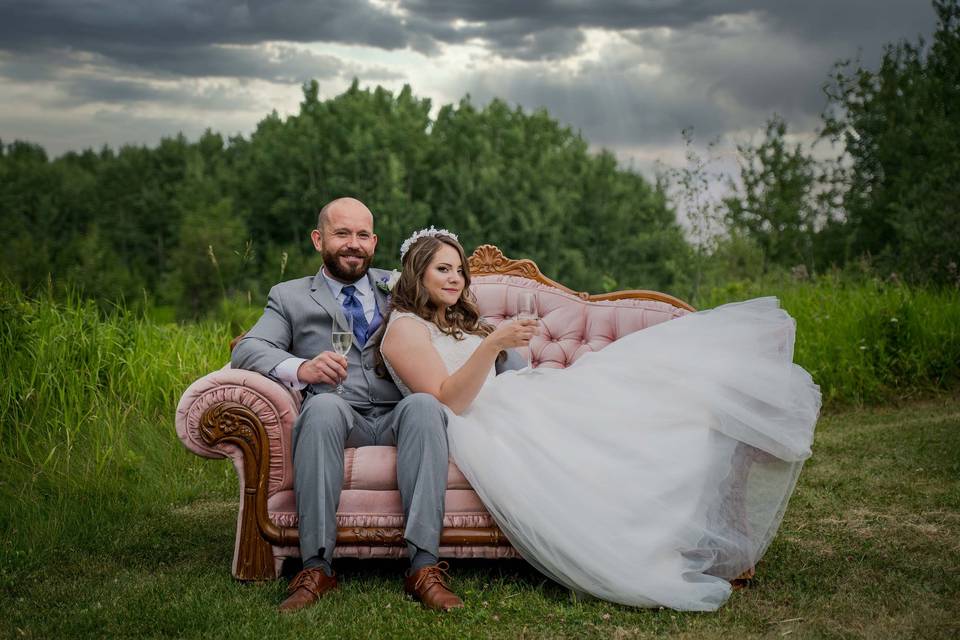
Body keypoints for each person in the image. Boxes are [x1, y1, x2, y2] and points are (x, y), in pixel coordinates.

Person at [377, 228, 822, 611]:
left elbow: (495, 372)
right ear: (418, 275)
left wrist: (504, 352)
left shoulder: (455, 320)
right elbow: (445, 400)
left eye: (459, 270)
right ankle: (643, 546)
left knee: (638, 400)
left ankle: (675, 516)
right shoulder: (405, 328)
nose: (455, 279)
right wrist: (491, 346)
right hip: (473, 420)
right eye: (443, 269)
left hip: (509, 398)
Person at [231, 199, 522, 613]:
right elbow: (249, 348)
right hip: (338, 409)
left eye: (363, 235)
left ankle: (423, 566)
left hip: (397, 411)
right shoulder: (290, 296)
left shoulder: (401, 284)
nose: (353, 244)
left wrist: (514, 365)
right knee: (321, 409)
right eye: (342, 234)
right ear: (319, 240)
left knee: (425, 405)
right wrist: (302, 368)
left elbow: (464, 328)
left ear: (374, 242)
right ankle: (316, 567)